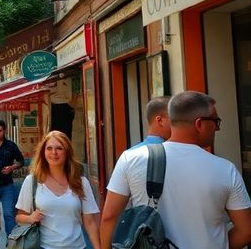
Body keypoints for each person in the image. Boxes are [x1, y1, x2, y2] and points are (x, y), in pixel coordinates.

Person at [98, 91, 251, 249]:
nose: (217, 129)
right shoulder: (226, 169)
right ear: (199, 124)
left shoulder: (132, 159)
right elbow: (246, 231)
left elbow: (109, 217)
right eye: (216, 122)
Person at [15, 130, 100, 249]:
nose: (54, 153)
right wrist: (30, 218)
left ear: (67, 152)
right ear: (43, 152)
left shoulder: (81, 183)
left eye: (59, 148)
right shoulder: (32, 181)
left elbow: (90, 222)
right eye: (49, 148)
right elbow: (19, 217)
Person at [0, 119, 25, 247]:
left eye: (0, 131)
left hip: (7, 185)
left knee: (9, 214)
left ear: (5, 131)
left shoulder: (11, 145)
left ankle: (11, 241)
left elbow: (20, 161)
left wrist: (12, 167)